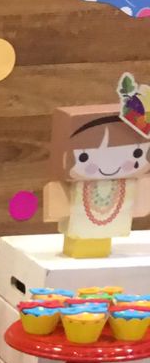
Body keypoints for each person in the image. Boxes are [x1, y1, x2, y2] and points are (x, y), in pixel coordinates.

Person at [44, 87, 150, 258]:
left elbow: (142, 207)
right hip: (79, 227)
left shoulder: (134, 184)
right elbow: (55, 208)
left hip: (114, 221)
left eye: (137, 153)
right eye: (84, 157)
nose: (110, 166)